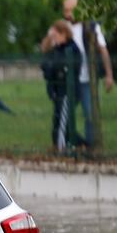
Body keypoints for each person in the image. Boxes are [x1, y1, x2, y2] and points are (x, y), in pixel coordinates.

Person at [61, 0, 114, 146]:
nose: (67, 15)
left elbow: (103, 50)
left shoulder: (91, 26)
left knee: (90, 114)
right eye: (65, 11)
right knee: (65, 115)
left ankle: (91, 145)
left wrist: (109, 75)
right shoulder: (63, 27)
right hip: (70, 80)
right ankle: (69, 144)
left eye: (70, 10)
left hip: (86, 79)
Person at [41, 19, 83, 151]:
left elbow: (63, 69)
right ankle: (81, 145)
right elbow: (46, 63)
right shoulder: (57, 49)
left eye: (55, 36)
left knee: (62, 123)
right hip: (58, 91)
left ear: (64, 33)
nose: (54, 39)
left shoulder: (72, 49)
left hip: (67, 92)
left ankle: (60, 149)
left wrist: (54, 68)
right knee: (61, 121)